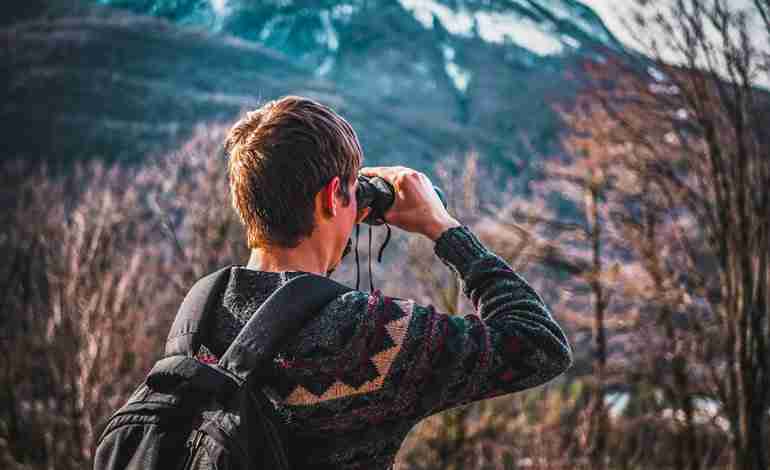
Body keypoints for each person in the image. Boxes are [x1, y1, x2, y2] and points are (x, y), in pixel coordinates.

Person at [207, 95, 573, 469]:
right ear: (333, 197)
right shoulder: (368, 339)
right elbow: (539, 344)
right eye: (350, 189)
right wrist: (444, 228)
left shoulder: (201, 315)